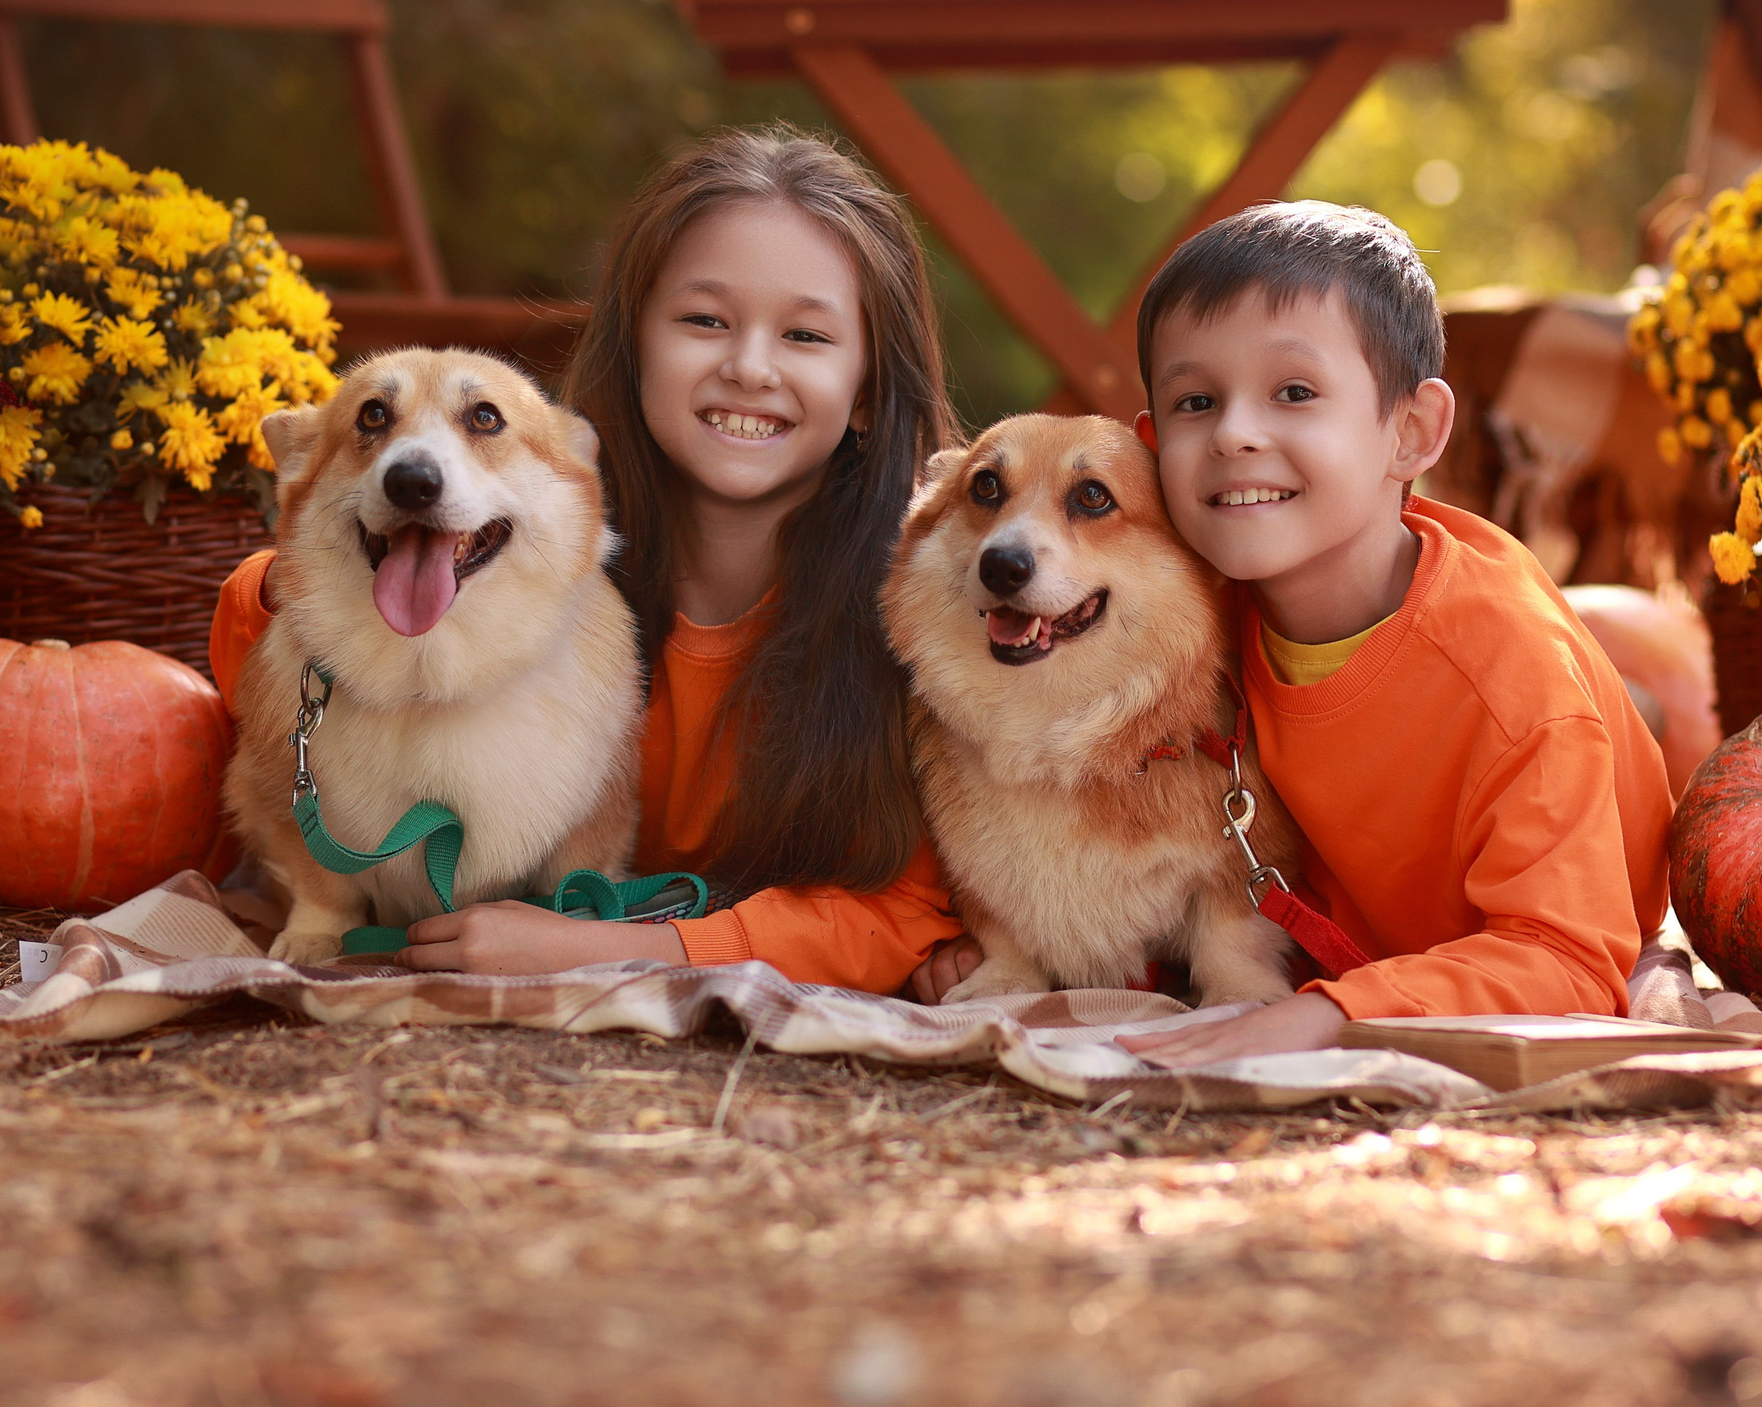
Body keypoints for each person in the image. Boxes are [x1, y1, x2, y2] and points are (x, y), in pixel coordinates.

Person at [209, 126, 963, 990]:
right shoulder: (522, 553)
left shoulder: (924, 627)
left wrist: (610, 952)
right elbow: (256, 617)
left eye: (806, 336)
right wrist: (320, 598)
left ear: (867, 389)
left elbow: (906, 906)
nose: (750, 367)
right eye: (705, 320)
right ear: (636, 347)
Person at [1095, 200, 1677, 1066]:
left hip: (1490, 952)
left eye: (1294, 393)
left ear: (1412, 432)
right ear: (1152, 448)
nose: (1235, 434)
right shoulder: (1189, 619)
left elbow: (1570, 962)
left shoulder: (1510, 670)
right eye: (1196, 401)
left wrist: (1328, 1015)